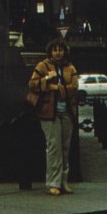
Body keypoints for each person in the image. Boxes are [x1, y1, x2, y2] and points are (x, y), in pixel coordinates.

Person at [28, 37, 78, 196]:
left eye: (61, 50)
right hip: (49, 112)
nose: (58, 53)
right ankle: (52, 183)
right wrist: (46, 79)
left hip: (66, 112)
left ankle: (64, 181)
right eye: (55, 50)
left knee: (65, 148)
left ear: (64, 51)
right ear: (50, 51)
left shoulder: (70, 67)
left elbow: (74, 87)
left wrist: (55, 88)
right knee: (54, 147)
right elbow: (32, 84)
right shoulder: (42, 66)